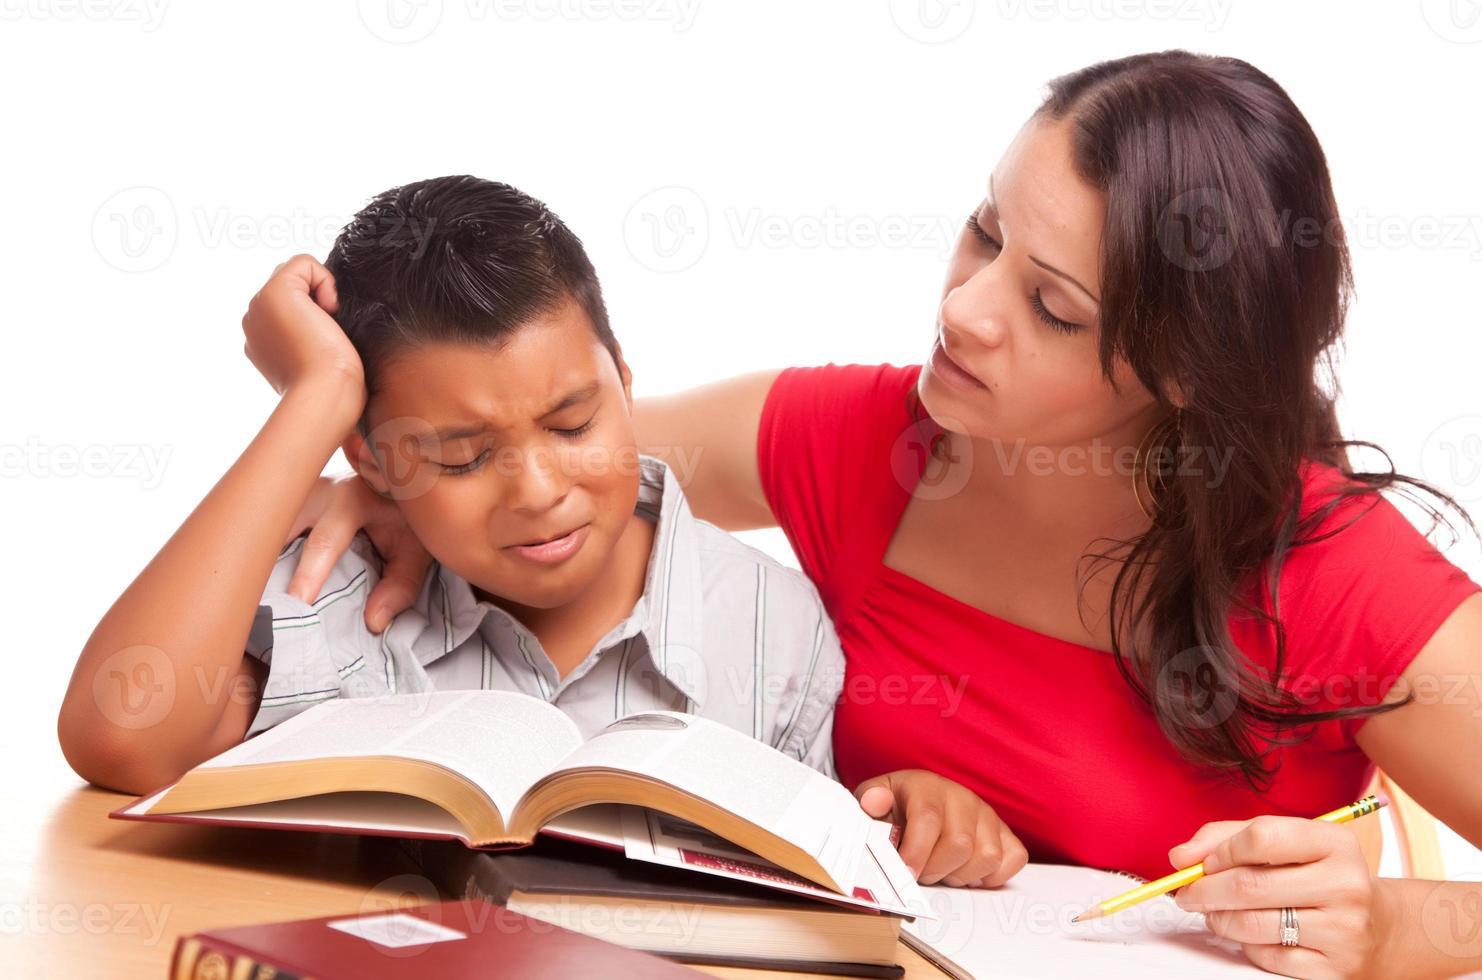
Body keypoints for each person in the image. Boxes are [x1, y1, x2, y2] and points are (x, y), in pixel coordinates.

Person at [274, 53, 1482, 977]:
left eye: (1051, 306)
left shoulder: (1330, 571)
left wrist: (1396, 928)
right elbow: (555, 452)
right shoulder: (861, 440)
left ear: (1180, 373)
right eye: (986, 232)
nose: (964, 309)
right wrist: (389, 479)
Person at [58, 177, 922, 868]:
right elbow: (120, 732)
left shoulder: (774, 627)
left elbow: (836, 880)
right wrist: (312, 399)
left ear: (623, 379)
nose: (539, 490)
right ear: (374, 459)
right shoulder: (345, 595)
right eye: (462, 458)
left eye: (575, 423)